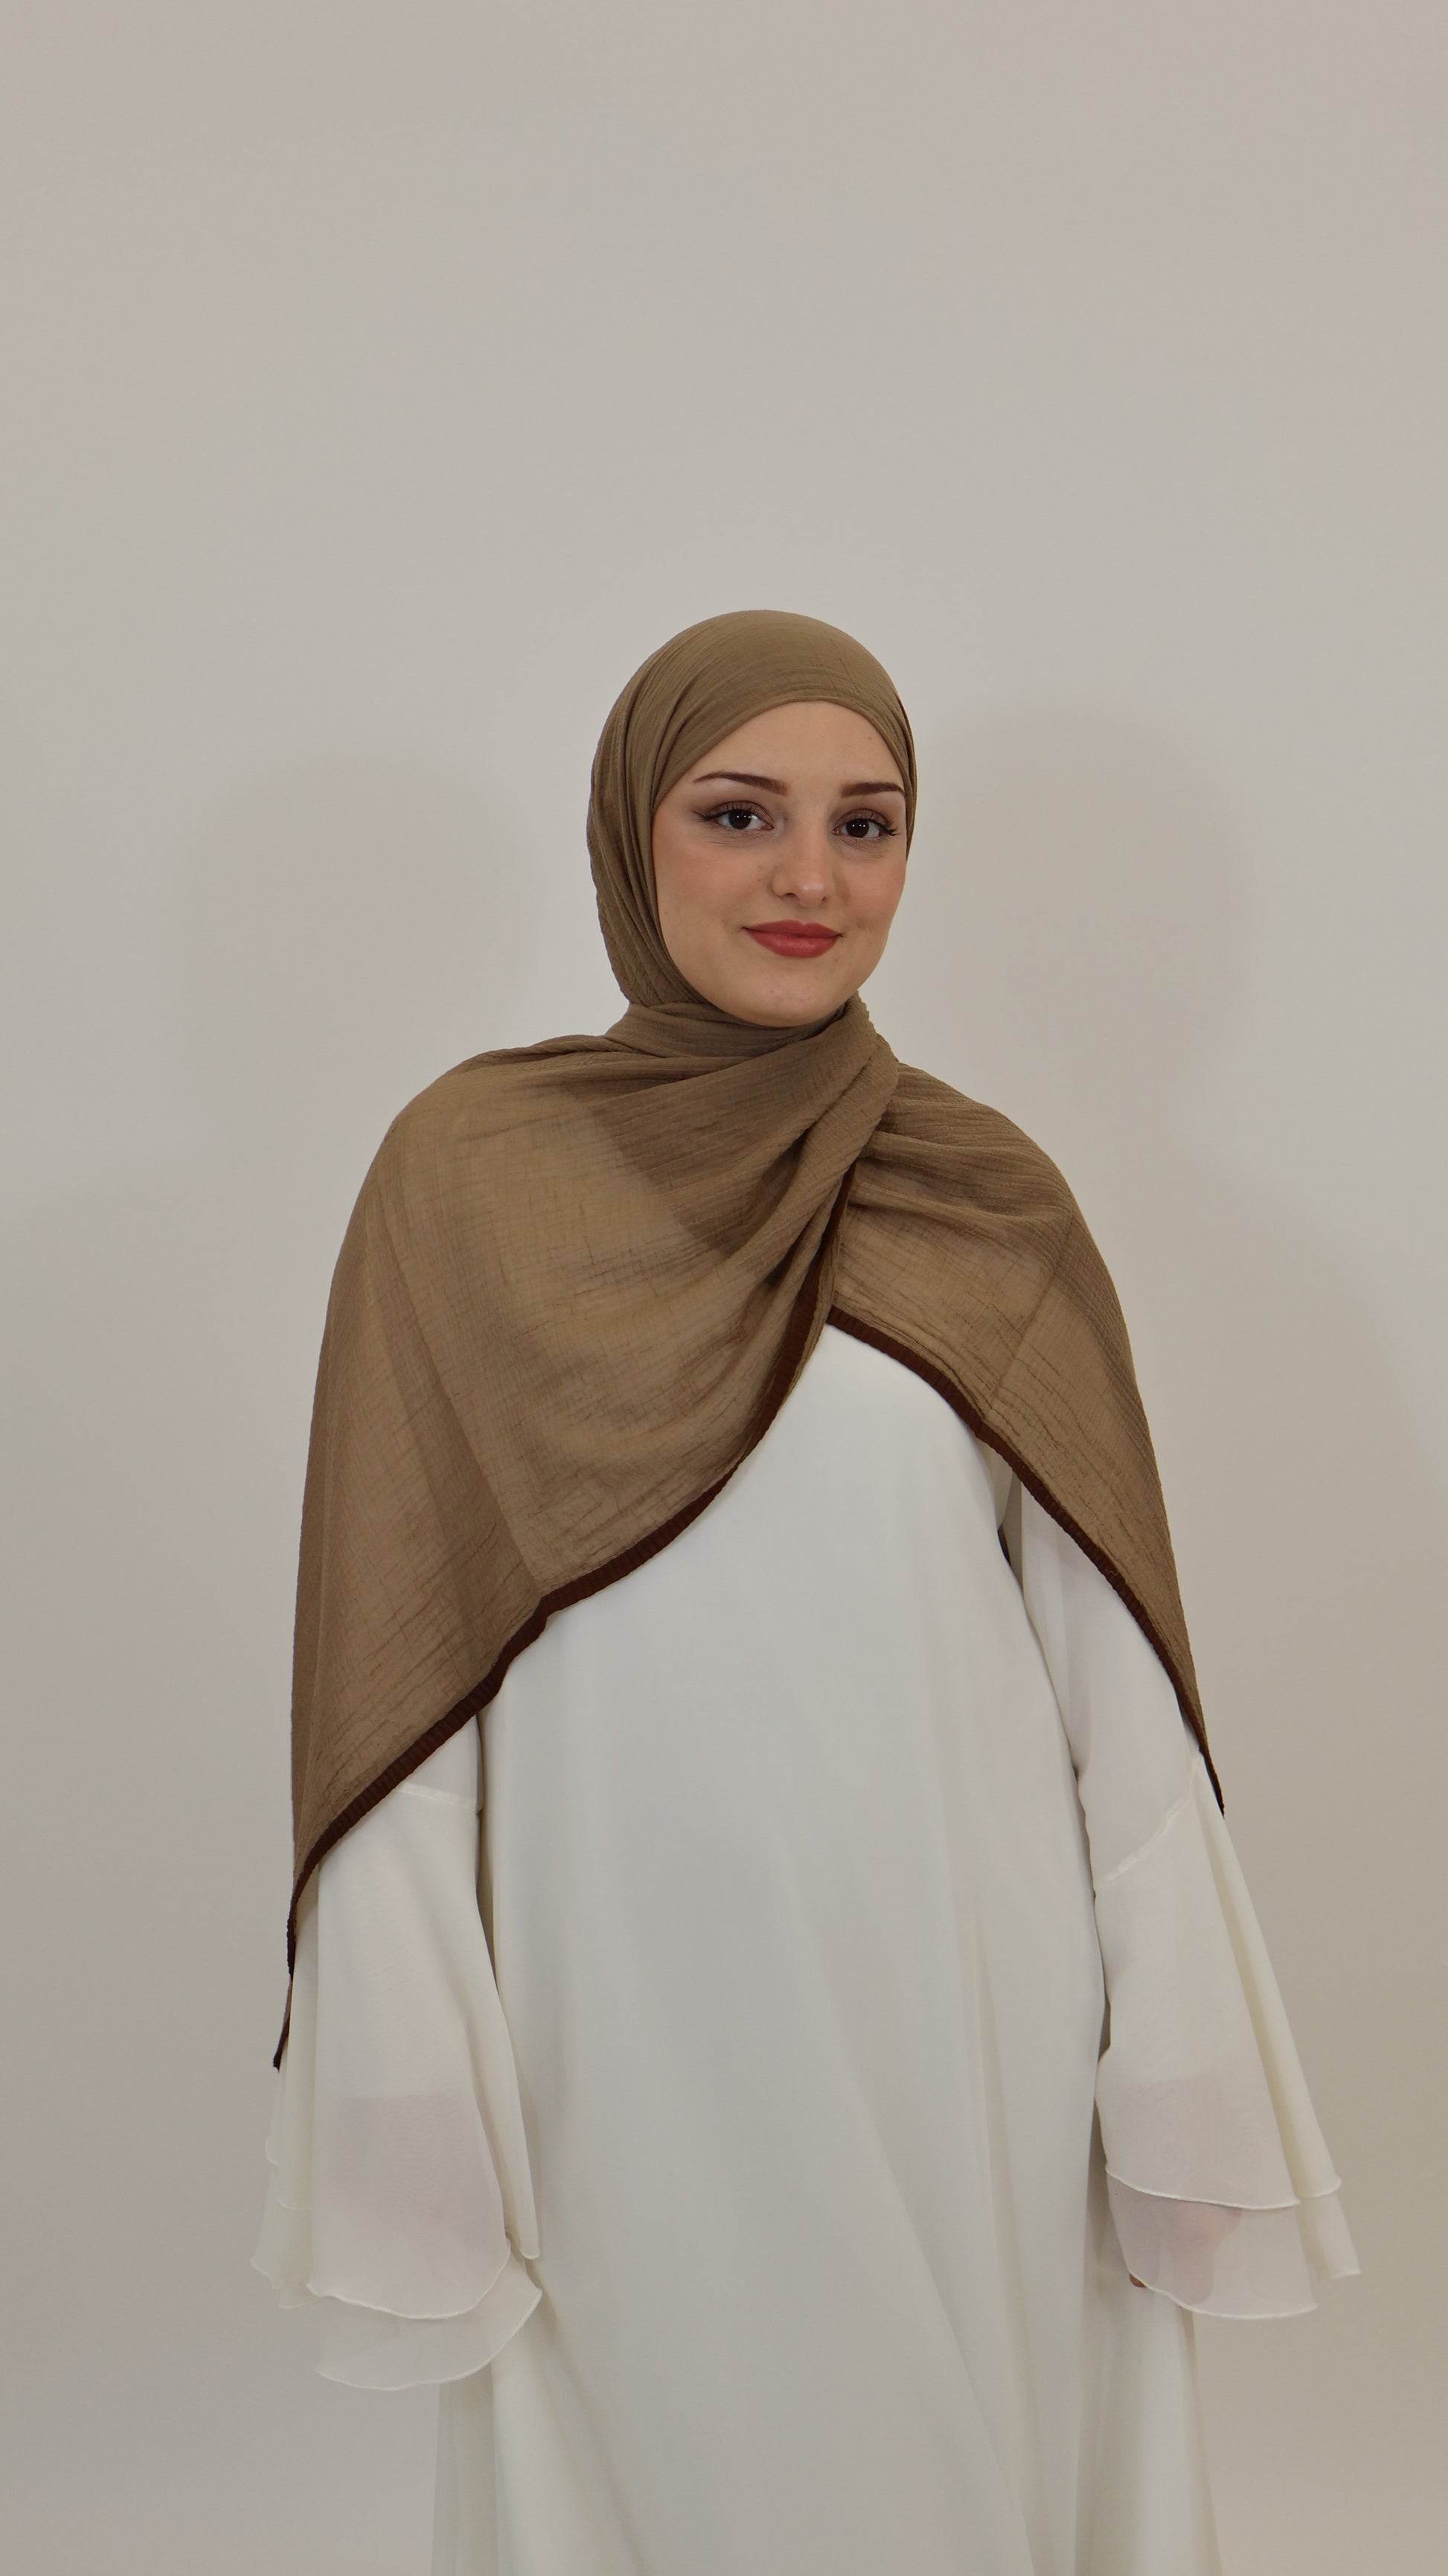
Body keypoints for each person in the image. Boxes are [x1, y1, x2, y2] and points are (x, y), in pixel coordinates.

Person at [256, 610, 1356, 2576]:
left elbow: (1111, 1678)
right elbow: (399, 1681)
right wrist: (408, 2078)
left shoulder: (978, 1192)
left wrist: (1181, 2064)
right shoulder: (468, 1184)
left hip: (972, 2018)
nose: (809, 880)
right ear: (633, 834)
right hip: (615, 2029)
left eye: (867, 823)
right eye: (739, 813)